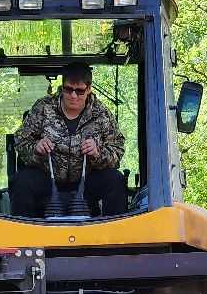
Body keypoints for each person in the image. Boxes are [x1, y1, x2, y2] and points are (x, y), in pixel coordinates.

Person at [9, 62, 126, 217]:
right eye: (68, 89)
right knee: (21, 181)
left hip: (87, 179)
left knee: (116, 180)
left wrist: (98, 153)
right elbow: (21, 142)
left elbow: (117, 152)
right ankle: (21, 236)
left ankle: (114, 236)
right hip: (47, 177)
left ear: (89, 89)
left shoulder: (102, 114)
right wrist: (37, 147)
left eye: (79, 91)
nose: (73, 95)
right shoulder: (43, 108)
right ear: (62, 86)